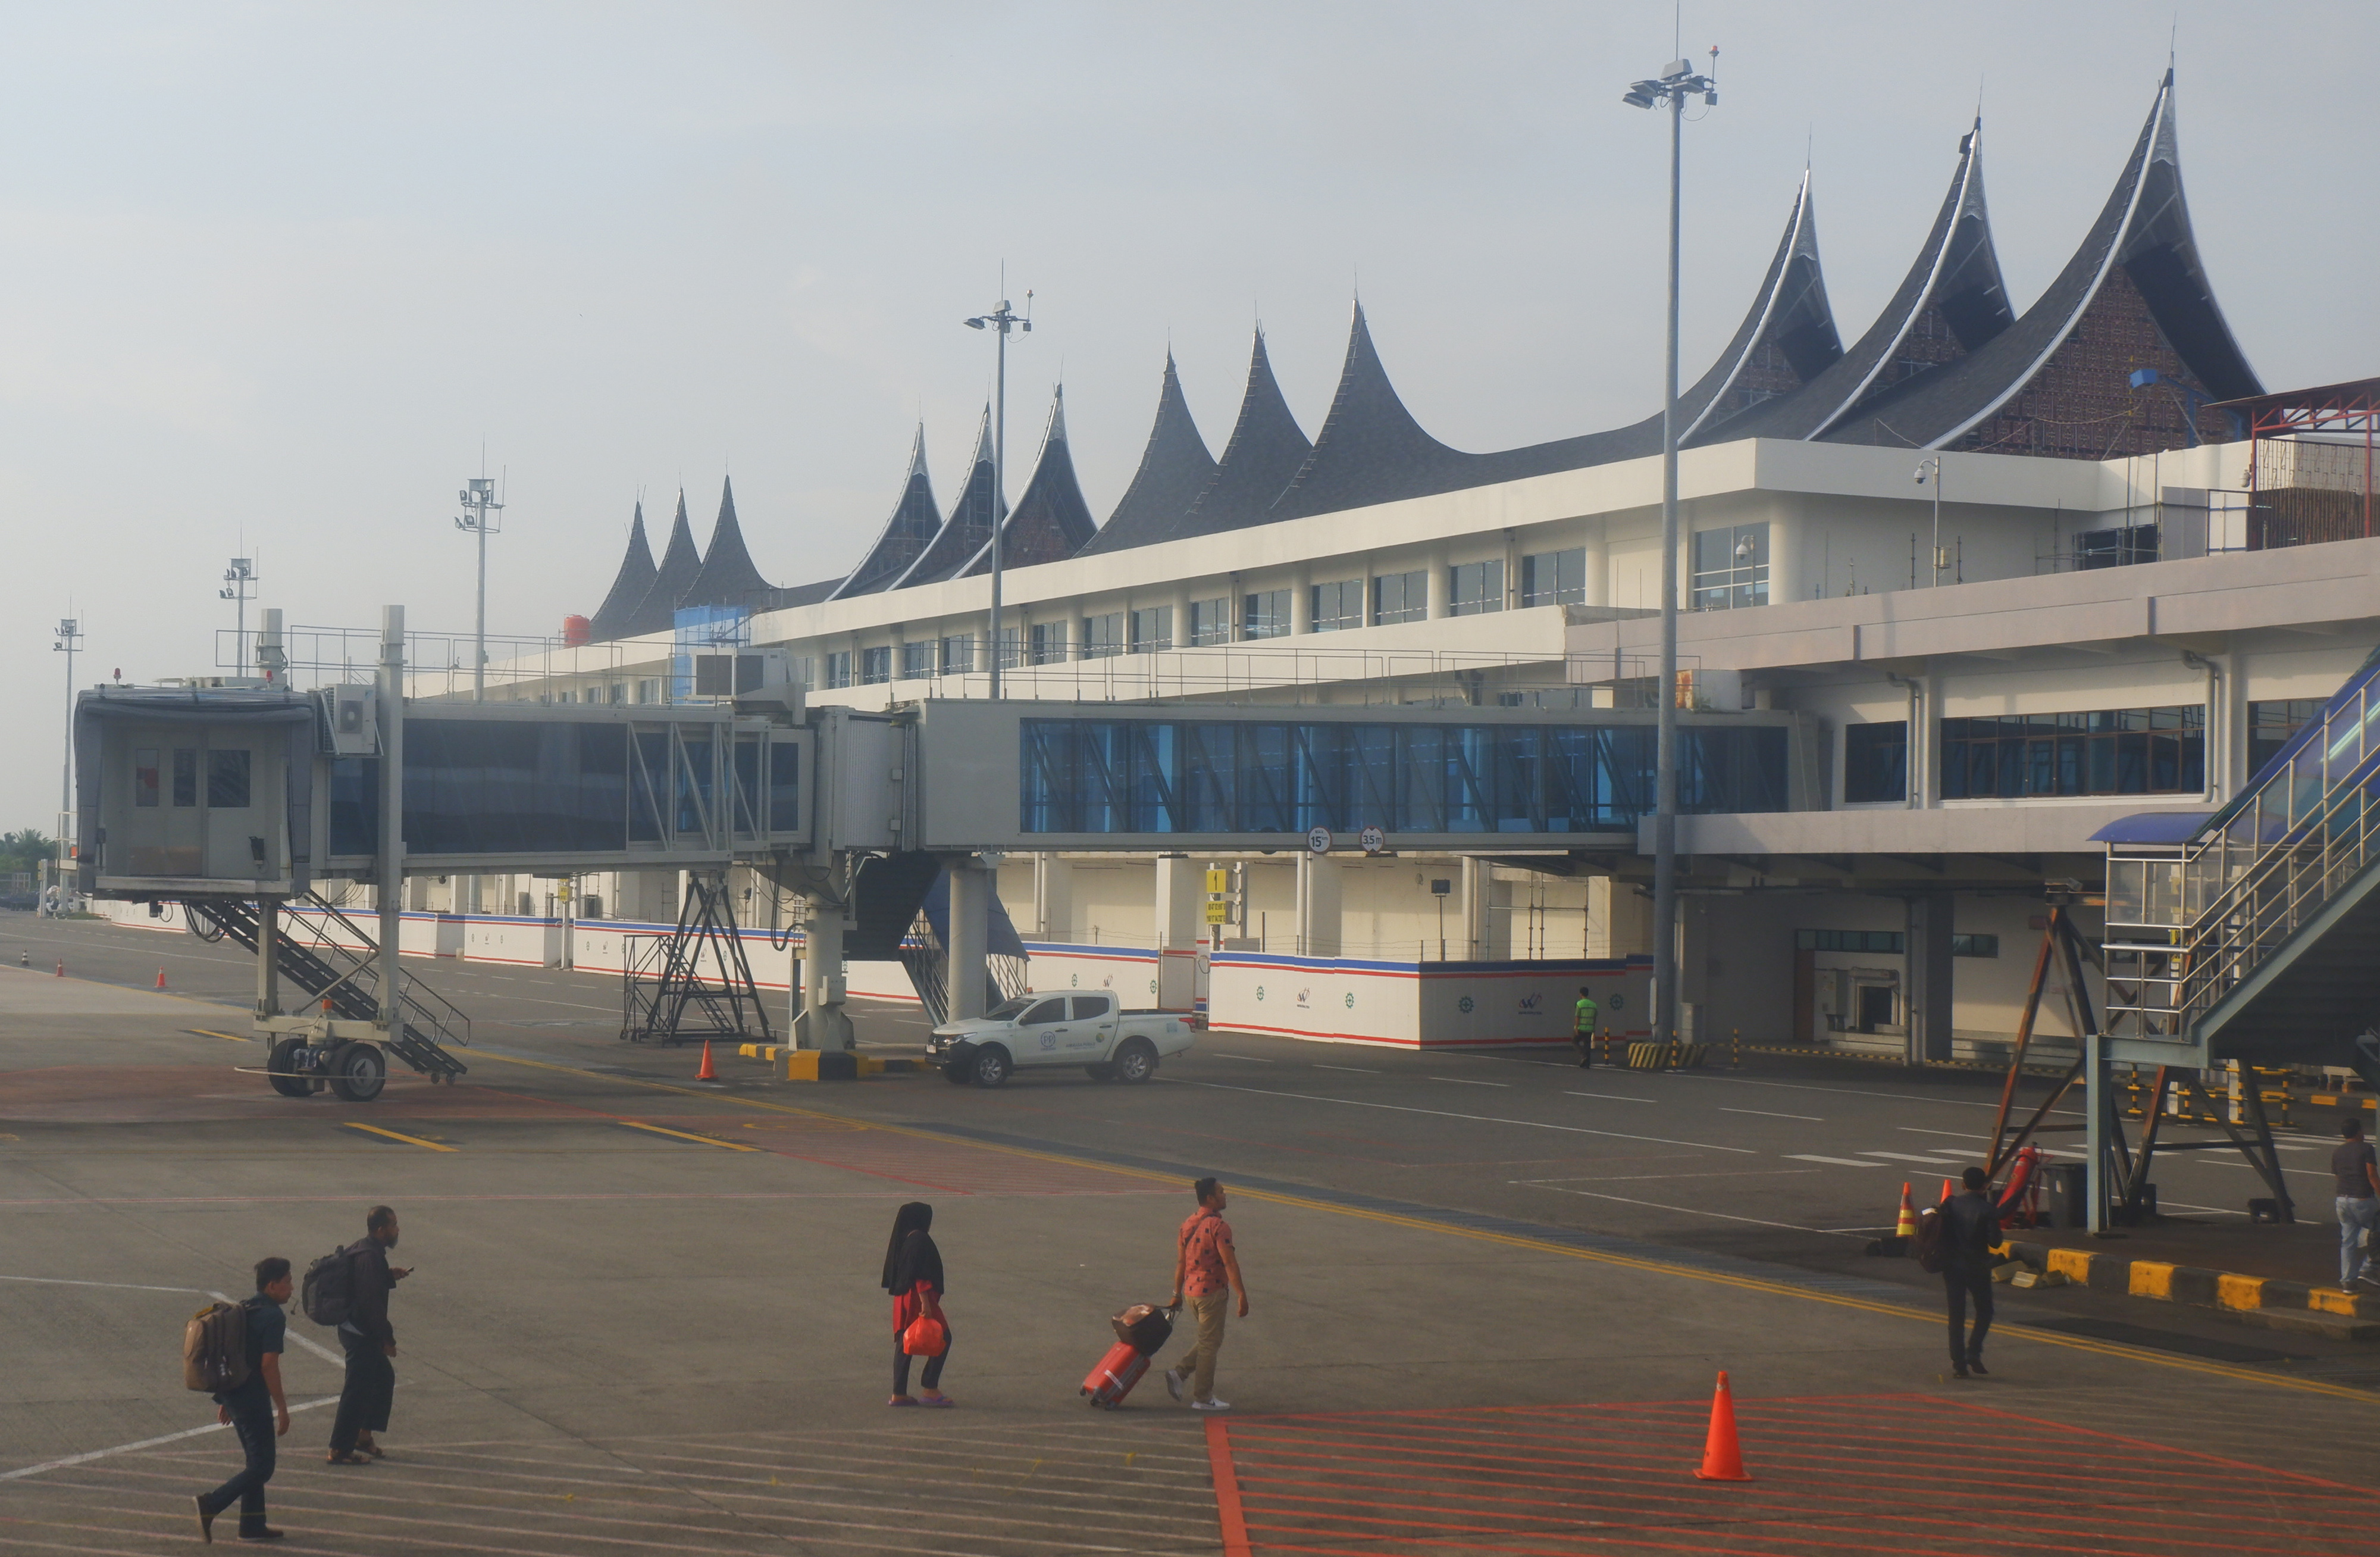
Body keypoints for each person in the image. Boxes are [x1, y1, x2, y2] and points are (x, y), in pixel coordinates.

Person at [194, 1257, 292, 1543]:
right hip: (251, 1399)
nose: (291, 1287)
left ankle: (252, 1525)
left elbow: (237, 1354)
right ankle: (211, 1504)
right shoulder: (274, 1316)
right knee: (263, 1466)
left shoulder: (246, 1308)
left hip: (235, 1394)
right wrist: (282, 1408)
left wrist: (227, 1398)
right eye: (287, 1282)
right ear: (272, 1286)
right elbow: (268, 1365)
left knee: (254, 1462)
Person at [328, 1205, 409, 1464]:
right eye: (394, 1225)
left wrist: (388, 1276)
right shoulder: (370, 1257)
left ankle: (363, 1436)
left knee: (384, 1378)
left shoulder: (366, 1250)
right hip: (359, 1332)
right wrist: (388, 1340)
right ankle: (339, 1448)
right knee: (357, 1389)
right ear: (380, 1230)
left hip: (358, 1328)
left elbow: (366, 1283)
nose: (397, 1230)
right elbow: (371, 1304)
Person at [1165, 1177, 1248, 1413]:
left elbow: (1181, 1262)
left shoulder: (1188, 1224)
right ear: (1210, 1199)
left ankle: (1179, 1373)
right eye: (1221, 1192)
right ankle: (1203, 1396)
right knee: (1210, 1345)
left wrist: (1176, 1293)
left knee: (1209, 1339)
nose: (1225, 1195)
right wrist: (1242, 1295)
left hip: (1192, 1292)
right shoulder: (1219, 1227)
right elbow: (1230, 1263)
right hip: (1212, 1293)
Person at [882, 1202, 952, 1406]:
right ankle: (930, 1388)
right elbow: (921, 1274)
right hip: (919, 1297)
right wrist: (926, 1304)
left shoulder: (905, 1239)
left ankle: (899, 1393)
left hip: (902, 1297)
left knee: (905, 1342)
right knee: (944, 1336)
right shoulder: (921, 1240)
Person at [1940, 1166, 2002, 1379]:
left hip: (1952, 1266)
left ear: (1963, 1185)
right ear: (1984, 1186)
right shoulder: (1987, 1210)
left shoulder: (1951, 1205)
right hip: (1977, 1266)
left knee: (1956, 1315)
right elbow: (1996, 1242)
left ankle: (1958, 1363)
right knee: (1985, 1310)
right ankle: (1973, 1351)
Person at [2332, 1117, 2380, 1290]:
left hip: (2342, 1201)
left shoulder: (2338, 1152)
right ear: (2359, 1132)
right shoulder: (2366, 1149)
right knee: (2377, 1228)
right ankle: (2369, 1268)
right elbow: (2372, 1176)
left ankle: (2348, 1281)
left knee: (2348, 1241)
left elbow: (2338, 1177)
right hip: (2362, 1200)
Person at [1572, 987, 1600, 1068]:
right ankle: (1587, 1064)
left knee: (1574, 1041)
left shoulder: (1579, 1004)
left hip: (1581, 1027)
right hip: (1590, 1028)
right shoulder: (1593, 1005)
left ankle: (1583, 1056)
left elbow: (1577, 1017)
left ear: (1581, 994)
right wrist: (1593, 1028)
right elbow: (1595, 1017)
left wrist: (1576, 1028)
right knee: (1587, 1045)